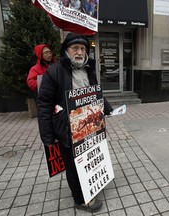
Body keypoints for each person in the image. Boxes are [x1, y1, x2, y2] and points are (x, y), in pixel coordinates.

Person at [37, 33, 113, 212]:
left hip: (90, 126)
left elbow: (96, 93)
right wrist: (48, 137)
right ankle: (80, 199)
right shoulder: (54, 71)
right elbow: (44, 103)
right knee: (73, 165)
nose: (79, 52)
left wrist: (107, 108)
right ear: (66, 51)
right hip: (68, 129)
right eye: (75, 48)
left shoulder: (89, 68)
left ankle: (91, 186)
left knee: (90, 158)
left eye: (82, 48)